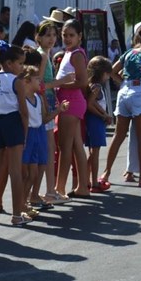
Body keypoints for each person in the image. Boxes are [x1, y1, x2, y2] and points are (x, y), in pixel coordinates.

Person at [101, 28, 141, 187]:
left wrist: (121, 82)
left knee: (118, 135)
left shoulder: (130, 53)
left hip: (124, 93)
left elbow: (111, 71)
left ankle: (106, 172)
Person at [0, 42, 32, 226]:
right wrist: (24, 135)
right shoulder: (16, 81)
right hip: (13, 123)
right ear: (10, 63)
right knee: (15, 171)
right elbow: (24, 111)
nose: (22, 67)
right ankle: (16, 215)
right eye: (20, 63)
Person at [20, 59, 64, 216]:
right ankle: (21, 205)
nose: (40, 81)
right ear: (27, 80)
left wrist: (59, 110)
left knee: (34, 173)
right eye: (37, 78)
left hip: (39, 133)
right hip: (28, 135)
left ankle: (24, 204)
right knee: (26, 174)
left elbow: (45, 119)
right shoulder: (21, 100)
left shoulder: (39, 98)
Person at [54, 19, 90, 198]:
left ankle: (59, 188)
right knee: (76, 146)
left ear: (79, 36)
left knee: (64, 147)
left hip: (71, 102)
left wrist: (58, 84)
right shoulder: (69, 52)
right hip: (71, 102)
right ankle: (82, 187)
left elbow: (82, 82)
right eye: (64, 35)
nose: (67, 38)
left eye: (71, 35)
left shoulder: (76, 54)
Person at [84, 56, 113, 193]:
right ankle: (94, 182)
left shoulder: (92, 85)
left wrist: (104, 114)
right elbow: (90, 104)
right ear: (102, 73)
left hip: (95, 120)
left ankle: (86, 179)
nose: (108, 77)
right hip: (95, 121)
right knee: (95, 153)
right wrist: (103, 115)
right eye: (107, 74)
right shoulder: (96, 87)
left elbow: (93, 103)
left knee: (92, 153)